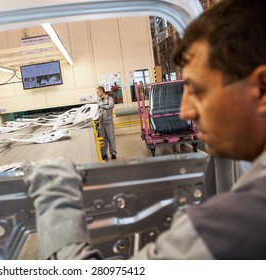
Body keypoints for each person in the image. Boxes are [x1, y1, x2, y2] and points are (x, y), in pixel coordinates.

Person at [22, 0, 266, 259]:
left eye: (198, 90)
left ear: (261, 89)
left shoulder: (239, 220)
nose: (185, 112)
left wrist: (56, 195)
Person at [96, 86, 117, 160]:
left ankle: (113, 153)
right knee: (103, 139)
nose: (97, 93)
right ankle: (104, 154)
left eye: (97, 92)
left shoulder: (109, 98)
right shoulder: (99, 101)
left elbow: (111, 105)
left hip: (108, 122)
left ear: (101, 91)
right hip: (101, 123)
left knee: (111, 138)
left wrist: (102, 106)